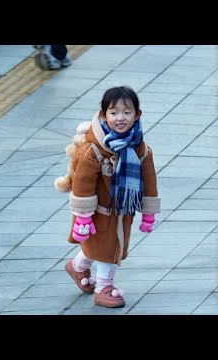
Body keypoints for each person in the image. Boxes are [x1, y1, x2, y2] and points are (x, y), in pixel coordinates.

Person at [62, 86, 160, 308]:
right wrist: (83, 217)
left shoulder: (141, 149)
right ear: (103, 115)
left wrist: (148, 213)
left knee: (104, 246)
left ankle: (77, 267)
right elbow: (82, 185)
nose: (120, 118)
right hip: (97, 212)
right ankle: (104, 287)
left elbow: (149, 182)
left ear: (137, 114)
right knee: (108, 249)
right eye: (114, 112)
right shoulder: (94, 149)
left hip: (123, 210)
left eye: (127, 112)